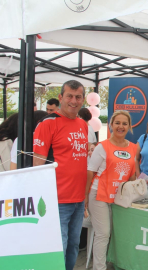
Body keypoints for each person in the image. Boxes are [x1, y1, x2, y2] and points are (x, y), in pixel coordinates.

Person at [33, 80, 88, 270]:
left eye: (78, 97)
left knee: (73, 246)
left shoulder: (82, 124)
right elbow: (37, 164)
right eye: (69, 96)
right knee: (59, 247)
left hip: (78, 199)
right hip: (57, 199)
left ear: (83, 99)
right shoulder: (48, 124)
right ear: (61, 97)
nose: (74, 101)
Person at [86, 110, 138, 270]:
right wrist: (85, 196)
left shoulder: (134, 148)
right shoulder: (103, 146)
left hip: (119, 198)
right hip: (99, 194)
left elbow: (132, 176)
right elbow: (90, 172)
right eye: (117, 123)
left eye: (124, 123)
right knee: (103, 234)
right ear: (111, 125)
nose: (120, 126)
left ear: (129, 126)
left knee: (116, 234)